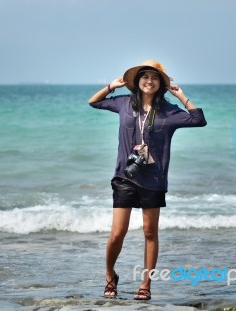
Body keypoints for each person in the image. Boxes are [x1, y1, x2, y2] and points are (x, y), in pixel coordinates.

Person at [88, 60, 207, 300]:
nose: (149, 81)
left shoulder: (169, 112)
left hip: (154, 179)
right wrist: (111, 86)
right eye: (145, 77)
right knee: (117, 233)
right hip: (125, 175)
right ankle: (110, 276)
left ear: (160, 84)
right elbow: (94, 102)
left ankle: (146, 285)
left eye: (154, 78)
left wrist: (182, 95)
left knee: (150, 233)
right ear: (138, 81)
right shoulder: (123, 103)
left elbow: (198, 119)